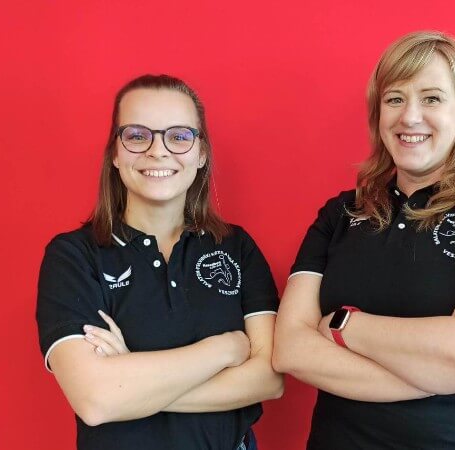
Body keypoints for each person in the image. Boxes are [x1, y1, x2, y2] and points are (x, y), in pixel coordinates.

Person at [273, 31, 455, 449]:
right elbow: (290, 349)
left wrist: (344, 325)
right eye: (395, 99)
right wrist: (442, 373)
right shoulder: (341, 213)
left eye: (432, 98)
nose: (409, 117)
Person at [36, 74, 282, 450]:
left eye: (179, 136)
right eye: (137, 136)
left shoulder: (236, 247)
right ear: (115, 153)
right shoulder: (73, 256)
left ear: (201, 154)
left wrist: (130, 381)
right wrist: (226, 349)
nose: (158, 151)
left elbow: (268, 380)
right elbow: (96, 400)